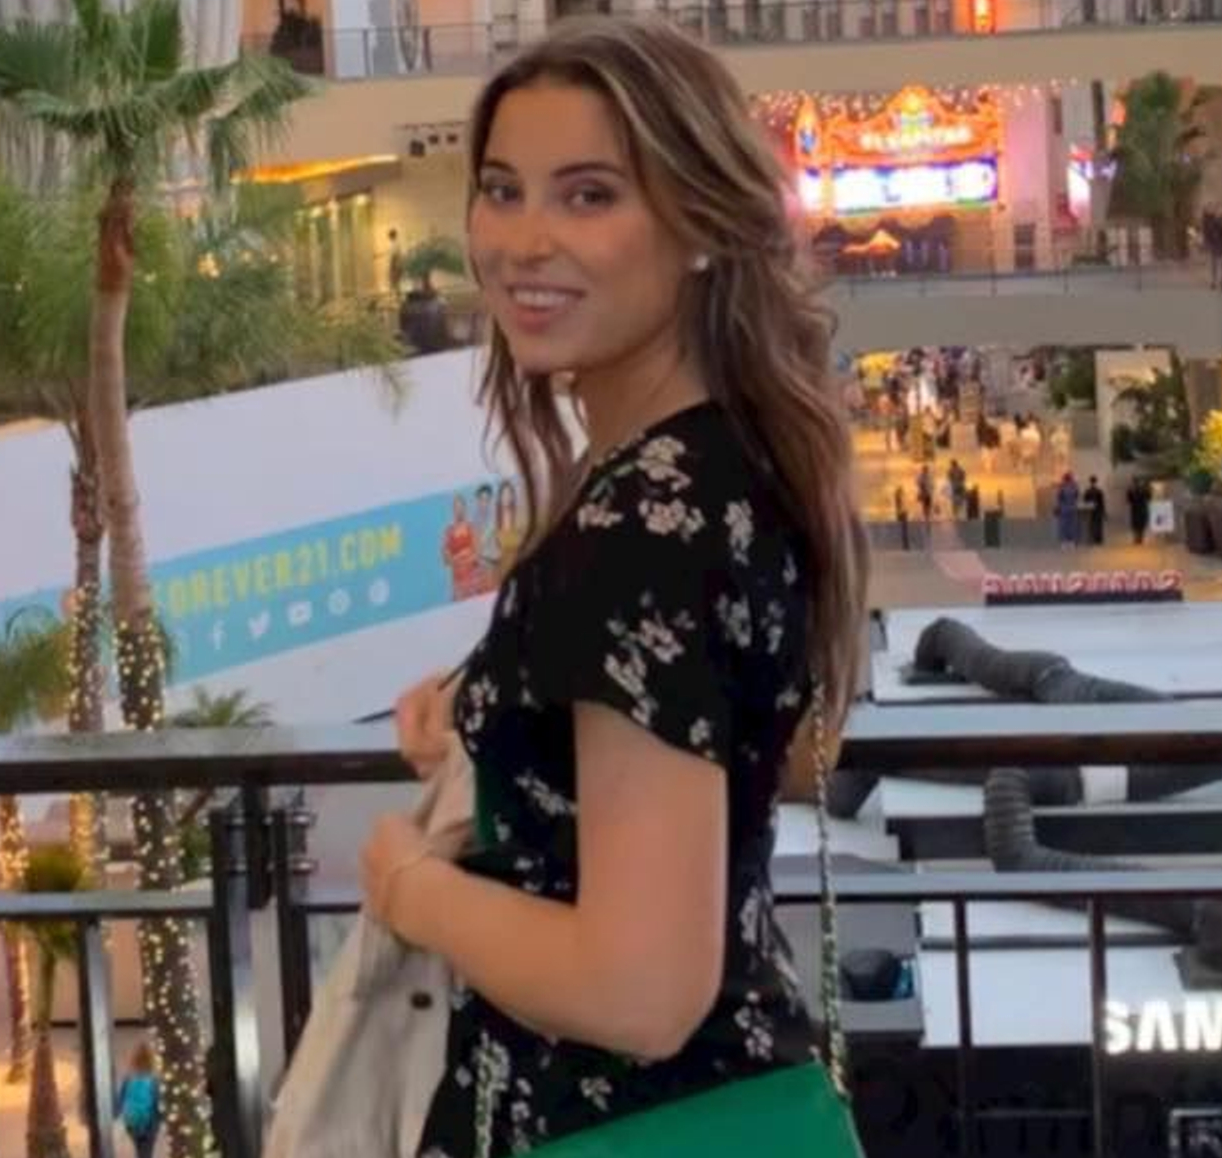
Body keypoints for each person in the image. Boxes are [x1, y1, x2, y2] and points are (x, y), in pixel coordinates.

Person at [359, 19, 869, 1158]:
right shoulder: (727, 465)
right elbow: (762, 744)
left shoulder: (639, 524)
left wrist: (408, 885)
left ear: (700, 225)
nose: (524, 242)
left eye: (589, 196)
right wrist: (497, 707)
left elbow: (641, 992)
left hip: (613, 1121)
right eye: (502, 190)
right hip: (734, 1101)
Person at [116, 1043, 161, 1158]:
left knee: (139, 1150)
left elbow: (121, 1099)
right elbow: (157, 1102)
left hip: (132, 1121)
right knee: (146, 1152)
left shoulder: (129, 1078)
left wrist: (119, 1114)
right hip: (149, 1122)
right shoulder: (154, 1079)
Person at [441, 493, 478, 600]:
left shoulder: (471, 527)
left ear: (465, 508)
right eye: (457, 508)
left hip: (472, 577)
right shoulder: (449, 531)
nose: (459, 510)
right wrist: (457, 557)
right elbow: (445, 560)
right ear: (453, 510)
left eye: (461, 507)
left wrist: (468, 556)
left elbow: (477, 553)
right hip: (458, 578)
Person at [472, 483, 500, 588]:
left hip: (494, 558)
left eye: (487, 500)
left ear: (490, 500)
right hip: (483, 560)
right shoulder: (475, 518)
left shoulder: (494, 515)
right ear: (477, 500)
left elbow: (487, 537)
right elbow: (476, 539)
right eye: (482, 499)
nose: (484, 503)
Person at [1055, 471, 1082, 549]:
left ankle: (1064, 542)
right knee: (1072, 526)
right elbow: (1077, 496)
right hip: (1072, 508)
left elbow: (1059, 498)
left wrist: (1058, 507)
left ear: (1064, 478)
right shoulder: (1074, 486)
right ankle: (1072, 542)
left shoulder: (1061, 487)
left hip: (1064, 509)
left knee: (1064, 526)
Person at [1128, 475, 1152, 545]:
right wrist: (1130, 492)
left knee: (1141, 524)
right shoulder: (1132, 490)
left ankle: (1140, 537)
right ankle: (1136, 537)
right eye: (1137, 483)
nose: (1138, 484)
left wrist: (1148, 490)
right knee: (1135, 524)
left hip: (1142, 509)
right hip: (1135, 509)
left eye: (1139, 482)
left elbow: (1149, 498)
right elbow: (1129, 499)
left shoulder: (1144, 490)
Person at [1084, 475, 1107, 546]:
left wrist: (1103, 511)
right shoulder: (1097, 491)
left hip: (1094, 510)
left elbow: (1085, 501)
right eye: (1093, 481)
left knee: (1094, 525)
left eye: (1093, 481)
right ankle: (1096, 539)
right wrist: (1103, 511)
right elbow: (1102, 502)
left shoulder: (1089, 491)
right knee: (1095, 525)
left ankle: (1094, 539)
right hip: (1095, 510)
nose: (1093, 483)